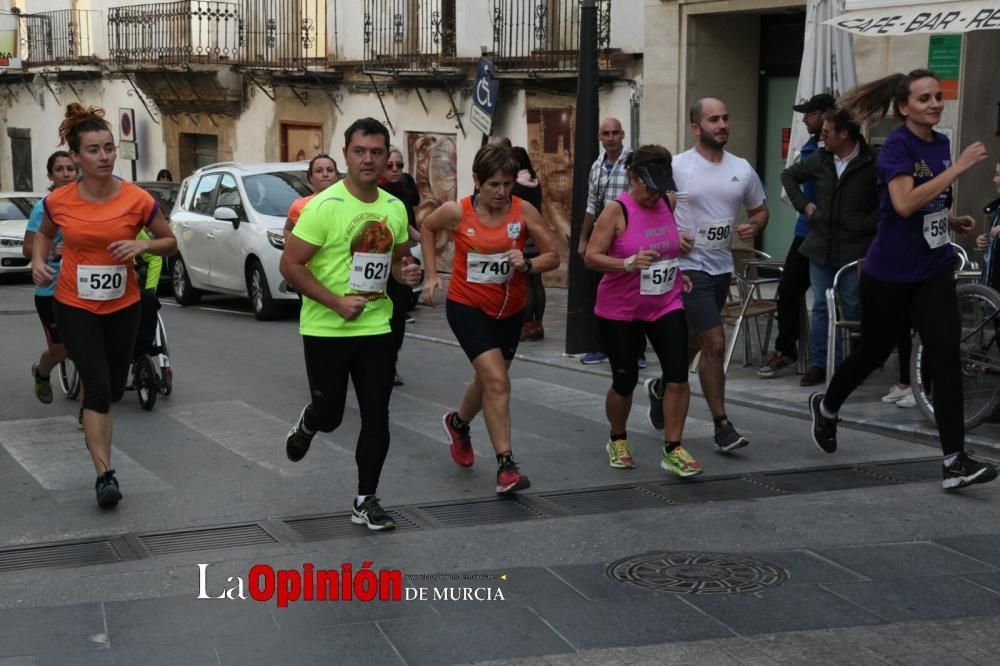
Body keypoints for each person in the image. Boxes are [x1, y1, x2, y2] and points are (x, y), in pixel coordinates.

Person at [809, 69, 997, 491]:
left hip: (931, 268)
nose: (934, 104)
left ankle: (954, 461)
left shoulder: (941, 143)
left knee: (946, 356)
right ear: (903, 107)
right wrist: (960, 169)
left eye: (938, 96)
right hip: (889, 273)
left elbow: (925, 203)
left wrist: (950, 219)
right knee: (873, 353)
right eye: (924, 98)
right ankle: (828, 405)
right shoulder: (896, 146)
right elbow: (904, 202)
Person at [31, 103, 177, 508]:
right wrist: (40, 262)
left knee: (112, 388)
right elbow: (43, 235)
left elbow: (170, 240)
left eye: (109, 148)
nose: (104, 156)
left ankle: (94, 416)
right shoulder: (60, 201)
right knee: (96, 389)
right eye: (93, 150)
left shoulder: (137, 198)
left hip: (122, 304)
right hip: (74, 304)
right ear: (76, 157)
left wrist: (143, 244)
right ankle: (105, 475)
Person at [280, 118, 421, 531]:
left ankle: (366, 498)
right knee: (332, 415)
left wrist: (405, 274)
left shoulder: (394, 208)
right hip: (326, 328)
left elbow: (396, 263)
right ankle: (310, 421)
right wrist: (335, 302)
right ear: (346, 155)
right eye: (360, 151)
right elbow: (290, 265)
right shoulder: (323, 207)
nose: (369, 159)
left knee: (377, 414)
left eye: (377, 152)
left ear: (386, 156)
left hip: (376, 327)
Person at [420, 144, 560, 494]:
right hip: (467, 306)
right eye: (493, 184)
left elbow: (553, 256)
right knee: (497, 382)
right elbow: (426, 227)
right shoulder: (457, 212)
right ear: (477, 182)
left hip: (511, 310)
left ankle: (458, 423)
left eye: (507, 184)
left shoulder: (523, 210)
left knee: (487, 382)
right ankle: (506, 467)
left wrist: (527, 264)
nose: (501, 192)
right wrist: (431, 274)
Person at [647, 98, 768, 453]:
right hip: (687, 268)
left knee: (694, 342)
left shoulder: (742, 169)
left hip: (721, 268)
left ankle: (661, 386)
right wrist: (673, 235)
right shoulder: (678, 167)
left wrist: (754, 226)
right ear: (696, 127)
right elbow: (650, 211)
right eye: (713, 119)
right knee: (714, 342)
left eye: (726, 118)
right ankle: (722, 425)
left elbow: (761, 209)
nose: (722, 125)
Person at [584, 145, 700, 476]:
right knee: (625, 379)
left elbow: (663, 247)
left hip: (665, 301)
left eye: (661, 187)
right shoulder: (615, 211)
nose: (655, 195)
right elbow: (591, 257)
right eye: (650, 187)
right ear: (633, 178)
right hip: (619, 308)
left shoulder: (668, 202)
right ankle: (617, 438)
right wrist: (626, 263)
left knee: (678, 372)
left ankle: (673, 447)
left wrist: (678, 271)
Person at [780, 106, 879, 386]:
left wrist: (867, 222)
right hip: (820, 243)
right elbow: (788, 177)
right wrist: (805, 206)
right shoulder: (821, 159)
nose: (822, 138)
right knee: (822, 306)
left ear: (844, 134)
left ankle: (856, 363)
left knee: (851, 304)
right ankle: (820, 363)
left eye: (826, 132)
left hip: (854, 246)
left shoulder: (872, 160)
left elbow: (887, 196)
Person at [759, 93, 835, 379]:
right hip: (806, 232)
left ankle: (833, 356)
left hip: (834, 235)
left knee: (832, 299)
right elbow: (790, 177)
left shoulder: (837, 148)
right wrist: (805, 206)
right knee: (790, 289)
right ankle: (788, 350)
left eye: (810, 113)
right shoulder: (810, 146)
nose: (804, 119)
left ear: (825, 114)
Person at [577, 118, 637, 365]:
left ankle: (637, 350)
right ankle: (603, 346)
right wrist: (583, 239)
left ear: (623, 134)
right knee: (603, 291)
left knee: (633, 292)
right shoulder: (596, 166)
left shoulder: (634, 161)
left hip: (629, 231)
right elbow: (592, 203)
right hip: (603, 235)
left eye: (615, 133)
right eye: (606, 134)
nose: (611, 138)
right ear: (599, 138)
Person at [24, 151, 78, 404]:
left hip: (83, 288)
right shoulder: (44, 207)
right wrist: (49, 252)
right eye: (60, 169)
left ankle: (89, 411)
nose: (66, 174)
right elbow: (28, 248)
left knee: (87, 350)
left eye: (70, 168)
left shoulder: (86, 203)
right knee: (60, 350)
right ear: (50, 175)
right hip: (52, 290)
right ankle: (42, 371)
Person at [379, 146, 421, 386]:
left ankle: (391, 362)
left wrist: (423, 238)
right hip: (378, 260)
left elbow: (407, 223)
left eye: (400, 165)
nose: (395, 170)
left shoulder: (405, 189)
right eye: (390, 165)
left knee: (397, 316)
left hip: (402, 259)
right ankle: (374, 362)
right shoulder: (374, 191)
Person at [511, 146, 546, 342]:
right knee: (537, 282)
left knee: (525, 282)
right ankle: (538, 324)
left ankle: (527, 326)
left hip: (522, 235)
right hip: (537, 234)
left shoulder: (516, 185)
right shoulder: (535, 181)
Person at [283, 154, 339, 244]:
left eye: (330, 170)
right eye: (319, 171)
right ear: (311, 177)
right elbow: (288, 229)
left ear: (336, 176)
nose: (325, 174)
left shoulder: (348, 201)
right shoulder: (299, 205)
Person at [975, 160, 1000, 289]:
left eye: (999, 175)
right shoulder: (997, 207)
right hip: (991, 294)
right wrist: (985, 241)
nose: (994, 180)